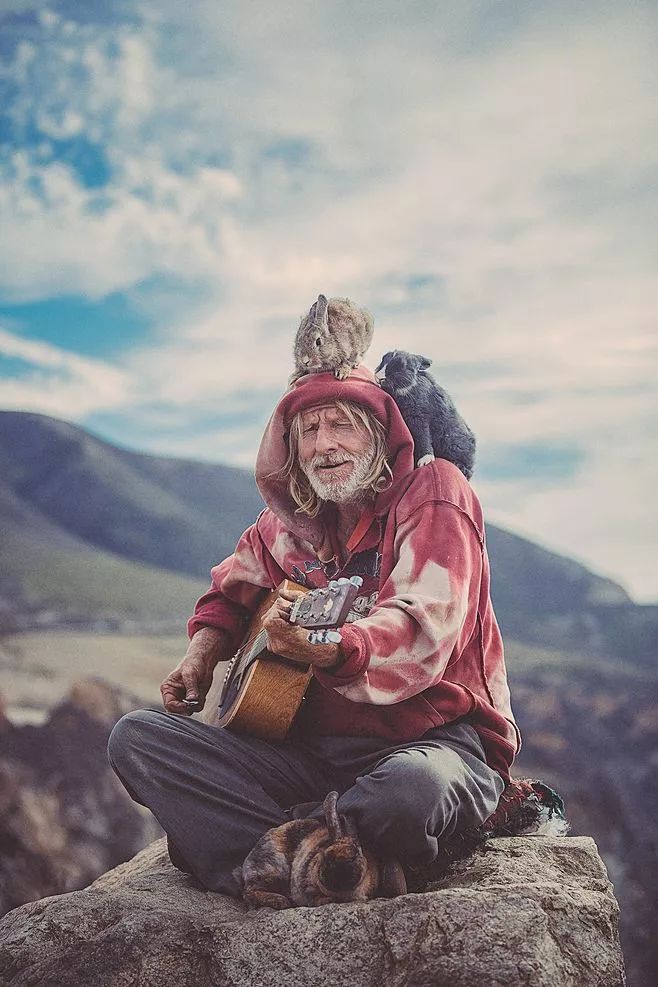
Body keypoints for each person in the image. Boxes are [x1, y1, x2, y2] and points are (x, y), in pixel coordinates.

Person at [108, 364, 520, 896]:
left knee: (410, 793)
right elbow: (230, 594)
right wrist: (201, 657)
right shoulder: (287, 524)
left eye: (342, 426)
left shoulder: (434, 490)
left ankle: (260, 851)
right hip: (309, 756)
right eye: (308, 430)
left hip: (429, 743)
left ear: (381, 434)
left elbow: (425, 620)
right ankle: (342, 859)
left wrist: (332, 647)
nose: (324, 445)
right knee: (138, 739)